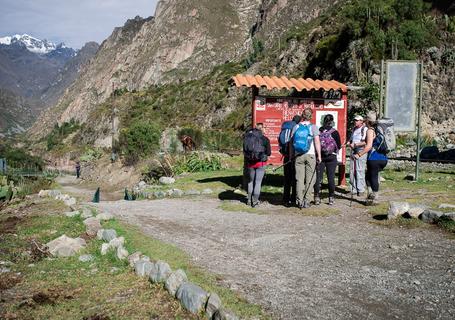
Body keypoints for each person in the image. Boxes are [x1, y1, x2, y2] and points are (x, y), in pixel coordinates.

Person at [353, 111, 387, 204]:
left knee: (373, 177)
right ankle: (370, 196)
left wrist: (358, 154)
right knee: (368, 176)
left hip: (374, 158)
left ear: (368, 120)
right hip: (383, 157)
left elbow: (368, 146)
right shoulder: (381, 129)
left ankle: (374, 199)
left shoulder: (370, 130)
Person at [290, 107, 321, 209]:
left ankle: (299, 201)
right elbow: (317, 142)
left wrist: (291, 155)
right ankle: (306, 201)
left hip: (298, 156)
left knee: (299, 179)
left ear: (302, 116)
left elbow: (291, 143)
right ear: (310, 116)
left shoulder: (296, 127)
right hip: (311, 155)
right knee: (310, 179)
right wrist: (319, 156)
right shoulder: (313, 127)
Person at [314, 114, 341, 205]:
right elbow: (339, 145)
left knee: (318, 177)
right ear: (332, 121)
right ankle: (331, 198)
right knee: (331, 177)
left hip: (320, 156)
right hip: (331, 157)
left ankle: (317, 197)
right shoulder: (335, 132)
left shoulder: (319, 130)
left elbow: (315, 143)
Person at [244, 123, 271, 207]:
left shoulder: (248, 138)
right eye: (264, 127)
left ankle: (249, 200)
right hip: (261, 163)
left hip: (250, 163)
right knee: (258, 182)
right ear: (261, 129)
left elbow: (245, 150)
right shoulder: (265, 139)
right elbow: (269, 153)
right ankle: (255, 201)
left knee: (250, 182)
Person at [281, 115, 302, 207]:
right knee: (295, 178)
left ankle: (285, 199)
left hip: (286, 156)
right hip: (294, 156)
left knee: (287, 179)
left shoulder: (284, 127)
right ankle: (293, 198)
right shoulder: (297, 128)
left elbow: (280, 140)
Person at [348, 115, 367, 197]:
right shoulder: (354, 129)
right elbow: (351, 139)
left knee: (360, 170)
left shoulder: (365, 129)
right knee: (352, 170)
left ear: (361, 121)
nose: (355, 121)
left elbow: (366, 142)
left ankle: (361, 190)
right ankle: (353, 189)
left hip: (361, 150)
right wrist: (349, 143)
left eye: (357, 120)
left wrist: (356, 144)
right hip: (353, 150)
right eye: (355, 120)